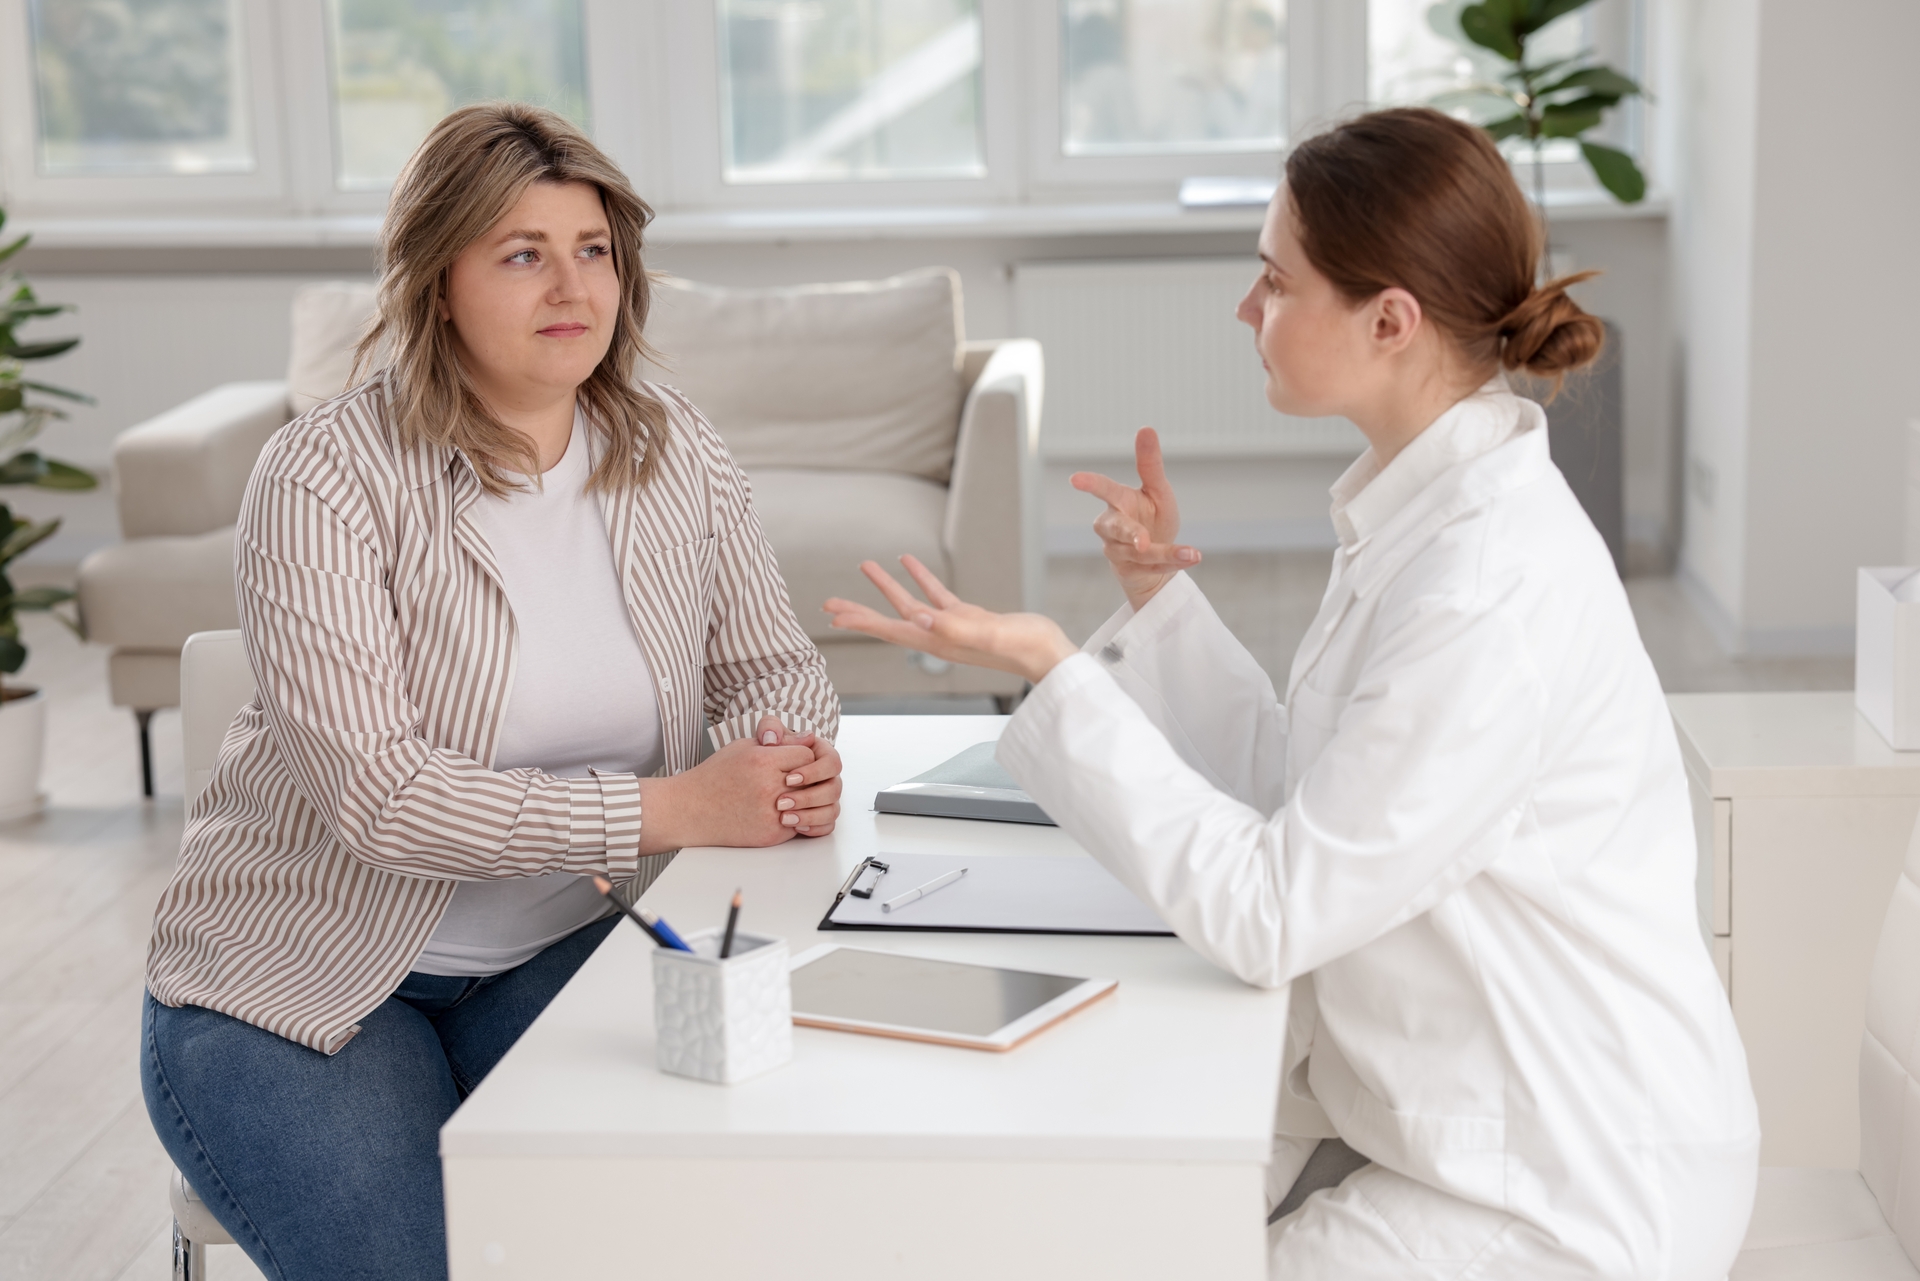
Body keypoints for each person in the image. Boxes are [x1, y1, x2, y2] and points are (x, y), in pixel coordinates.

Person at [826, 108, 1758, 1279]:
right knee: (1104, 1202)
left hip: (1568, 1180)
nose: (1245, 308)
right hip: (1464, 1120)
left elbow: (1272, 910)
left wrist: (1052, 671)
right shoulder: (1430, 512)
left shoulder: (1484, 587)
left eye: (1274, 281)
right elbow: (1308, 797)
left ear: (1390, 321)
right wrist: (1156, 601)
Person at [141, 103, 841, 1281]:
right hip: (295, 987)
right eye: (523, 254)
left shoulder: (673, 448)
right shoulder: (322, 476)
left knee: (718, 1221)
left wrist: (786, 759)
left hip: (562, 950)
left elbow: (770, 665)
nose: (572, 286)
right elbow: (382, 798)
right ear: (439, 280)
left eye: (593, 249)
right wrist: (680, 807)